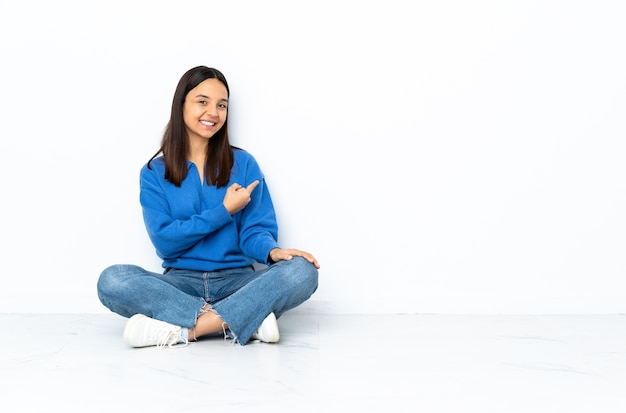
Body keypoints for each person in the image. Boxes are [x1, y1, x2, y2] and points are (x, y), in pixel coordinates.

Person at [97, 66, 320, 349]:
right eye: (203, 101)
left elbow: (255, 231)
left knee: (302, 270)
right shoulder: (154, 172)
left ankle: (185, 330)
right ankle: (245, 320)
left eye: (221, 105)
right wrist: (223, 210)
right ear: (181, 106)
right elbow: (166, 241)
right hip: (181, 284)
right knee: (113, 280)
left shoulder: (244, 164)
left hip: (238, 281)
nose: (213, 113)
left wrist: (273, 252)